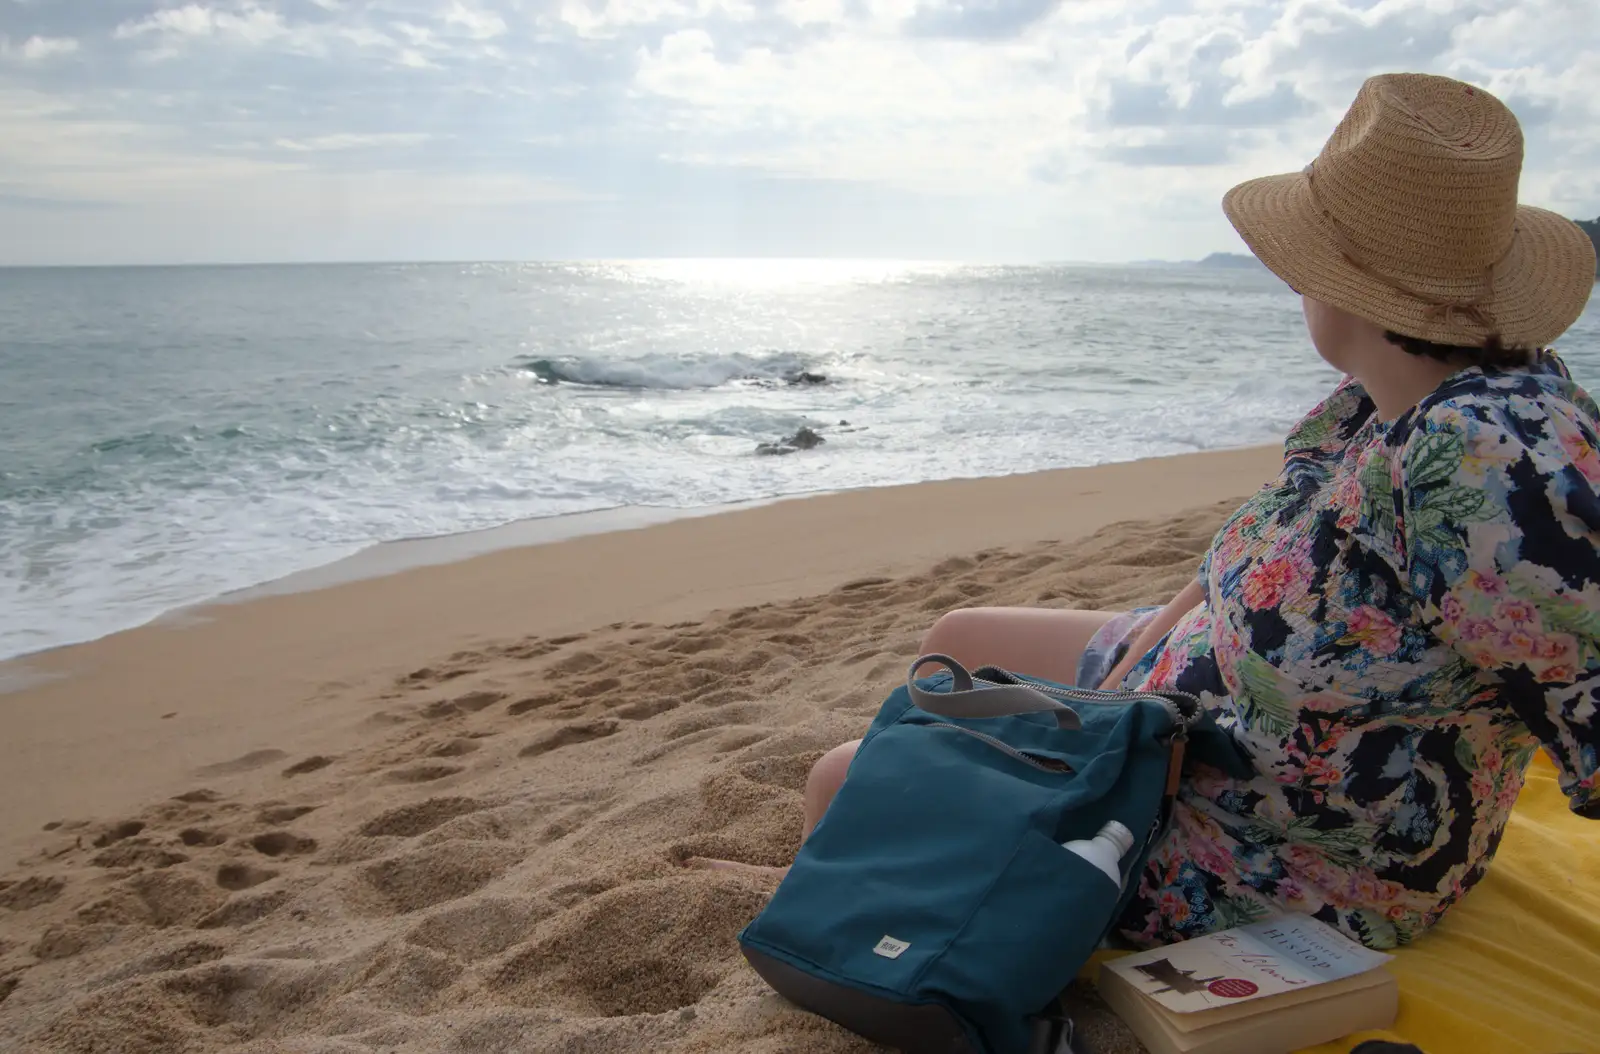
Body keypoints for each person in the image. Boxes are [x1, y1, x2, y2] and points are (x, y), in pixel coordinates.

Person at [693, 73, 1600, 952]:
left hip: (1276, 849)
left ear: (1347, 285)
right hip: (1194, 706)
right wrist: (1149, 651)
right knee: (959, 635)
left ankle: (883, 965)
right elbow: (1302, 551)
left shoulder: (1489, 459)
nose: (1293, 285)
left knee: (845, 781)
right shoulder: (1388, 402)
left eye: (1303, 264)